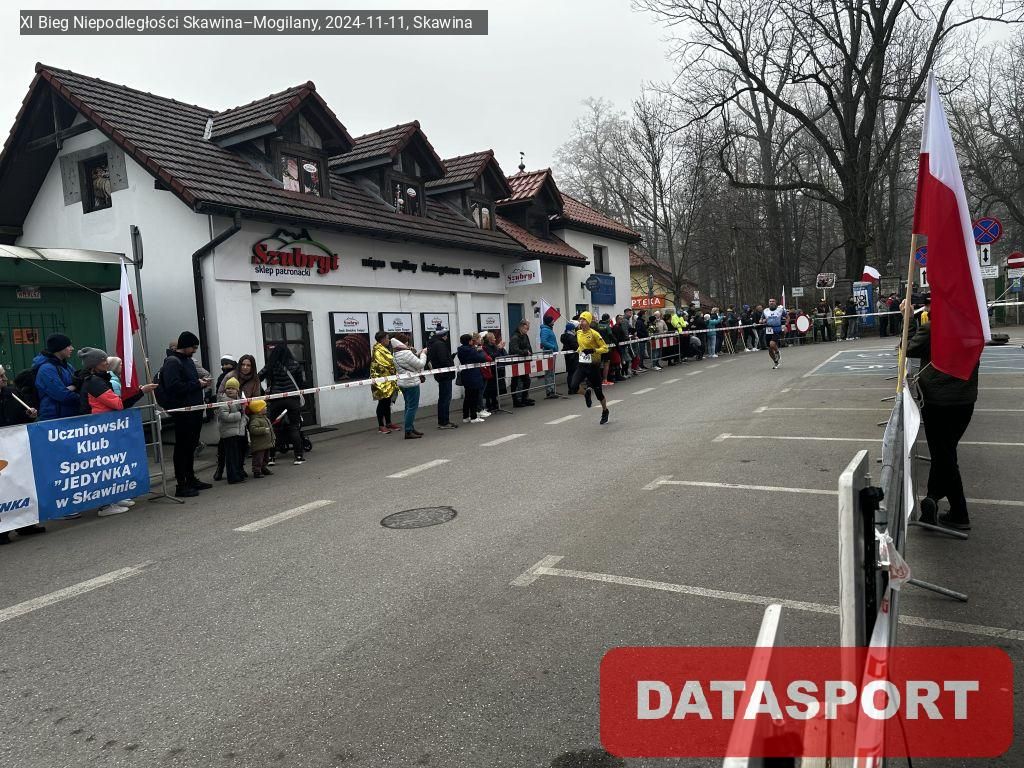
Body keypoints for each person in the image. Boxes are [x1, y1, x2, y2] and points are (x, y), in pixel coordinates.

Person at [905, 322, 977, 530]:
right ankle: (932, 498)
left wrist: (908, 321)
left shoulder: (934, 327)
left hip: (938, 401)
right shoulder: (973, 325)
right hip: (965, 399)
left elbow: (908, 349)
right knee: (945, 451)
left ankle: (959, 513)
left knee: (944, 455)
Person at [159, 331, 211, 498]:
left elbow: (189, 383)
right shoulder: (172, 362)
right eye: (193, 347)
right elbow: (174, 386)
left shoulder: (187, 360)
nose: (195, 350)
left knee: (191, 446)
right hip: (183, 412)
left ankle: (191, 478)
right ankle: (181, 484)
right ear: (185, 346)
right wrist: (197, 384)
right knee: (182, 447)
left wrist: (201, 384)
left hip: (194, 410)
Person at [0, 364, 46, 544]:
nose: (4, 379)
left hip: (15, 446)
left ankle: (25, 523)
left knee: (20, 483)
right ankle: (3, 530)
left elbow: (21, 414)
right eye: (0, 377)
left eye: (4, 375)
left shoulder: (11, 393)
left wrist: (29, 415)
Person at [259, 344, 306, 465]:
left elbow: (258, 377)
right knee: (294, 427)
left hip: (276, 399)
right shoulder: (295, 364)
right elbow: (301, 382)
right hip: (292, 399)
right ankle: (298, 456)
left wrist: (263, 392)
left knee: (274, 428)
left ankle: (271, 458)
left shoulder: (271, 365)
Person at [571, 312, 610, 425]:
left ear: (588, 321)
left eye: (583, 320)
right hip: (582, 365)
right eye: (580, 320)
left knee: (598, 393)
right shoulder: (578, 332)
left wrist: (593, 350)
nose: (581, 322)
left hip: (593, 366)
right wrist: (578, 351)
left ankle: (605, 410)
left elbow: (605, 348)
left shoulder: (594, 334)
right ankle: (586, 394)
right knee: (573, 386)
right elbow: (581, 346)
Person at [33, 333, 80, 420]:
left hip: (69, 414)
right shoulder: (46, 369)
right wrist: (82, 396)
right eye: (68, 346)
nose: (72, 348)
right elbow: (62, 394)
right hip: (54, 418)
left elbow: (79, 383)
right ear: (59, 348)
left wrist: (74, 386)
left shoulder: (67, 366)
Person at [391, 333, 427, 439]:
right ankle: (408, 430)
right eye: (407, 341)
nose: (408, 343)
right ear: (404, 342)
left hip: (403, 383)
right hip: (411, 382)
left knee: (408, 406)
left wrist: (415, 354)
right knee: (412, 407)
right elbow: (420, 364)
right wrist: (423, 354)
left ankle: (410, 428)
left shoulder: (396, 353)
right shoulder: (406, 353)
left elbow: (409, 363)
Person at [216, 377, 248, 484]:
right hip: (229, 433)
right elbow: (225, 417)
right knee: (231, 456)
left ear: (237, 390)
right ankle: (233, 477)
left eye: (232, 388)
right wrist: (239, 414)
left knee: (238, 455)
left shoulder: (239, 400)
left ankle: (238, 473)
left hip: (238, 432)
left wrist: (245, 418)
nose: (230, 390)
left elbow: (243, 414)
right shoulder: (224, 401)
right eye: (228, 388)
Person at [427, 326, 459, 429]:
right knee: (445, 399)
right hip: (445, 375)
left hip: (441, 375)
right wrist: (451, 365)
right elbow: (443, 360)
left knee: (443, 398)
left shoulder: (434, 343)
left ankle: (443, 421)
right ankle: (444, 422)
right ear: (443, 335)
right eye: (446, 335)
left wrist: (451, 357)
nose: (447, 337)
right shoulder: (440, 344)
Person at [370, 331, 400, 434]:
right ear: (382, 339)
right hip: (380, 381)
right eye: (387, 338)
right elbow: (388, 362)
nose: (389, 340)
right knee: (382, 403)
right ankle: (381, 426)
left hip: (388, 380)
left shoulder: (384, 348)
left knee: (388, 402)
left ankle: (388, 423)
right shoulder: (377, 350)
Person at [456, 333, 487, 423]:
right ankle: (474, 417)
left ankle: (465, 416)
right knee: (474, 397)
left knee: (468, 397)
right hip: (473, 375)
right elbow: (482, 358)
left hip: (466, 374)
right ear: (469, 341)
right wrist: (480, 351)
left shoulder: (461, 350)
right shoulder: (471, 350)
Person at [508, 319, 535, 407]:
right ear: (521, 327)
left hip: (524, 362)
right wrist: (525, 352)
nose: (527, 330)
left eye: (528, 328)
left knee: (526, 381)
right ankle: (515, 401)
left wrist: (530, 354)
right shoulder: (515, 337)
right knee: (515, 382)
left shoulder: (525, 336)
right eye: (526, 328)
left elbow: (528, 346)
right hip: (516, 362)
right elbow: (514, 350)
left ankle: (524, 398)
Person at [246, 399, 275, 478]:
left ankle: (263, 468)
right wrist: (263, 430)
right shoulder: (255, 420)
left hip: (266, 443)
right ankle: (256, 471)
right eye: (264, 407)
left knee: (266, 457)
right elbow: (253, 429)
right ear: (259, 410)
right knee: (258, 458)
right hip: (259, 444)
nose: (266, 408)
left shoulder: (264, 417)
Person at [762, 298, 786, 369]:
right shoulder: (765, 311)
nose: (771, 302)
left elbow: (787, 317)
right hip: (768, 330)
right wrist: (762, 321)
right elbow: (761, 319)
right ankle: (776, 362)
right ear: (768, 303)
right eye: (770, 301)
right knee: (770, 350)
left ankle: (777, 352)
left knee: (772, 344)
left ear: (775, 303)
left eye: (773, 301)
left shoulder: (780, 310)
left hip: (777, 329)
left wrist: (785, 325)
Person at [539, 314, 559, 398]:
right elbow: (544, 341)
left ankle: (552, 390)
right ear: (549, 322)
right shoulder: (545, 330)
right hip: (549, 353)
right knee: (549, 372)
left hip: (551, 353)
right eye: (552, 320)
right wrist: (553, 347)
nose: (554, 321)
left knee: (551, 372)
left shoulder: (548, 329)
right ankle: (549, 391)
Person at [561, 320, 580, 394]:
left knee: (570, 373)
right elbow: (575, 347)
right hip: (573, 357)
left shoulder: (564, 336)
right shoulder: (571, 337)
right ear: (572, 329)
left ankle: (571, 388)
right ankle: (573, 388)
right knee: (574, 373)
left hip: (568, 357)